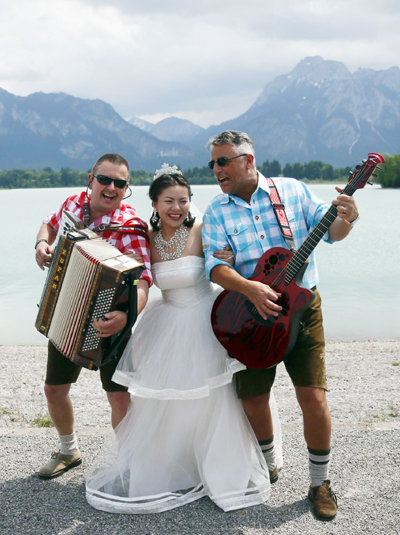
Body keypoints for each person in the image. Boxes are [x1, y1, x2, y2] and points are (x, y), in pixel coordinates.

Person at [85, 164, 283, 514]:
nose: (177, 208)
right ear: (155, 203)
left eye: (184, 201)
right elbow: (135, 273)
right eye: (169, 201)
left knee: (215, 397)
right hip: (165, 322)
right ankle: (178, 467)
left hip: (207, 320)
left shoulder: (204, 229)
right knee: (167, 399)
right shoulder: (145, 236)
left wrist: (232, 259)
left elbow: (228, 262)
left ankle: (222, 467)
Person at [202, 131, 360, 520]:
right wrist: (250, 289)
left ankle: (319, 483)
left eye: (224, 161)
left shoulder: (293, 191)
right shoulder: (216, 211)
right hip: (252, 317)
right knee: (252, 398)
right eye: (213, 163)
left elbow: (335, 234)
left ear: (248, 160)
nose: (217, 170)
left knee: (314, 398)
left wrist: (348, 217)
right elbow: (215, 268)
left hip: (303, 307)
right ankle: (270, 463)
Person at [35, 153, 152, 479]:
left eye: (120, 183)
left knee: (118, 395)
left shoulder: (131, 226)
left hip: (113, 321)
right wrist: (41, 242)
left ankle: (129, 463)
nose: (112, 187)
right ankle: (68, 450)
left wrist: (127, 317)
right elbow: (50, 220)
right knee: (54, 390)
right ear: (91, 180)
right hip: (66, 310)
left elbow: (144, 282)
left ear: (127, 187)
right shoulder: (73, 202)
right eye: (105, 179)